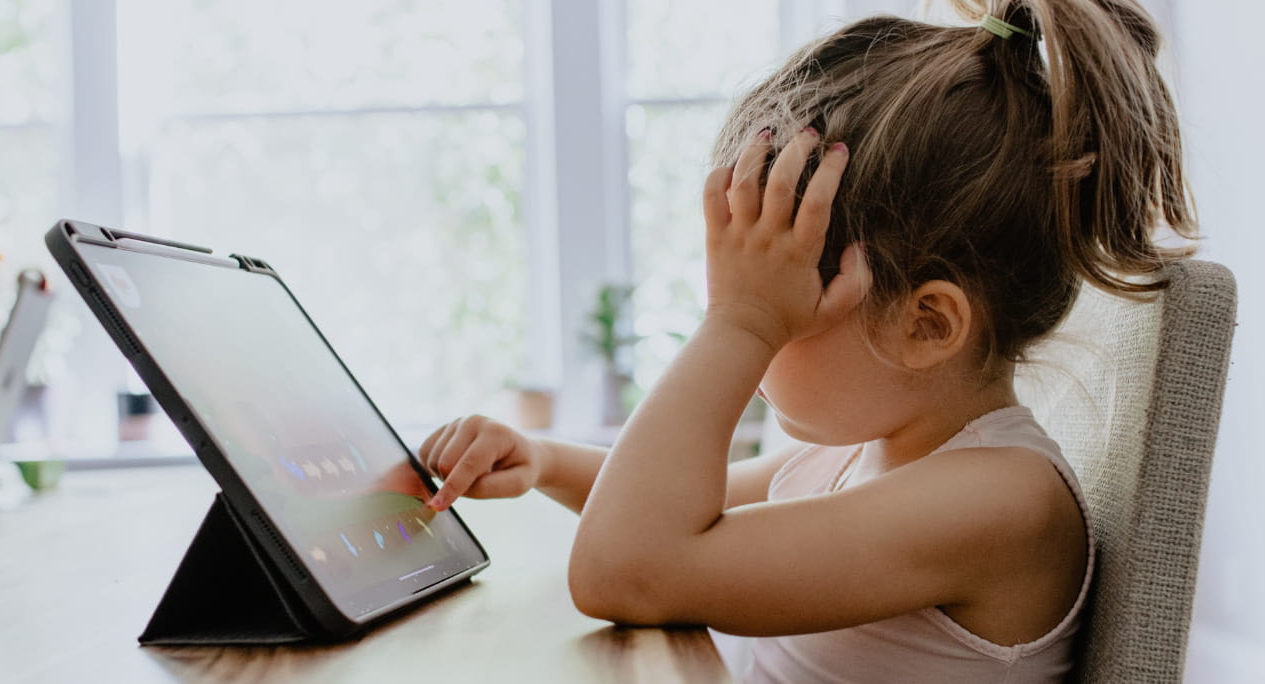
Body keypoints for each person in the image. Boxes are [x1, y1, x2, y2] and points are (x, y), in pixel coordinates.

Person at [417, 0, 1193, 680]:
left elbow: (626, 567)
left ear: (925, 326)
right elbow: (687, 502)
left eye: (781, 308)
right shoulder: (867, 450)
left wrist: (739, 325)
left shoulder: (1001, 503)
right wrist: (545, 458)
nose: (751, 351)